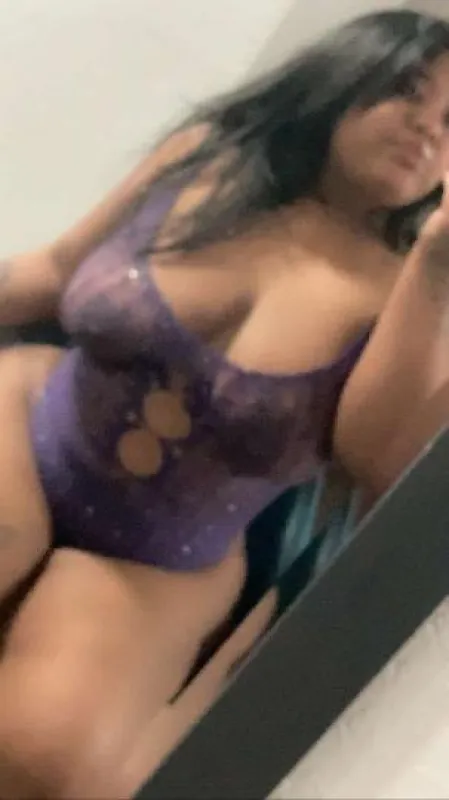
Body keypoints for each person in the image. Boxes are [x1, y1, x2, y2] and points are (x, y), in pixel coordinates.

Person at [1, 7, 449, 797]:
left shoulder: (404, 300)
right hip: (30, 429)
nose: (426, 127)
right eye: (408, 90)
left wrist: (436, 262)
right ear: (348, 74)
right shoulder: (204, 158)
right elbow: (56, 269)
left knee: (42, 764)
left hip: (159, 557)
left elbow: (373, 464)